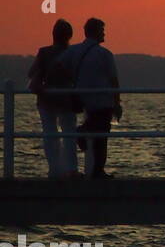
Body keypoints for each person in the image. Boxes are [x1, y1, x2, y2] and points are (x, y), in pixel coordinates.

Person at [60, 17, 121, 179]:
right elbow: (113, 80)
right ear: (95, 32)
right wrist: (117, 102)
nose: (104, 33)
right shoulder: (104, 54)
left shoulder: (73, 51)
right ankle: (97, 170)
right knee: (101, 137)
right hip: (102, 99)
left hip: (82, 98)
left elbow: (58, 68)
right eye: (102, 30)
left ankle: (84, 134)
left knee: (96, 129)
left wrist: (71, 83)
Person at [27, 19, 79, 179]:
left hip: (46, 98)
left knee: (50, 134)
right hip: (66, 99)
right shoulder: (72, 53)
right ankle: (71, 169)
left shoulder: (44, 52)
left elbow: (31, 73)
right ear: (69, 35)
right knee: (69, 134)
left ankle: (54, 169)